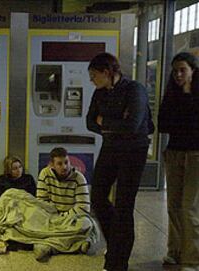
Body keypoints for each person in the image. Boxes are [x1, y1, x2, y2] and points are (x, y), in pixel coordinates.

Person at [86, 52, 154, 271]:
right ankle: (117, 241)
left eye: (94, 75)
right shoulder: (99, 94)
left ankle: (117, 262)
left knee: (124, 205)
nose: (91, 80)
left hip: (134, 151)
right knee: (97, 196)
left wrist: (104, 120)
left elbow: (133, 124)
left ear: (107, 72)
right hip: (111, 147)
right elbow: (89, 122)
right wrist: (116, 122)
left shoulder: (135, 90)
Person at [158, 52, 199, 271]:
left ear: (193, 71)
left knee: (188, 207)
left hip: (196, 155)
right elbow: (163, 123)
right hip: (174, 152)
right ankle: (174, 251)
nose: (178, 74)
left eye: (183, 69)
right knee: (173, 205)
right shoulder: (172, 94)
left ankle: (192, 258)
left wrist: (184, 108)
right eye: (175, 71)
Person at [34, 147, 94, 261]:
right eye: (60, 164)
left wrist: (63, 218)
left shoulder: (79, 178)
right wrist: (55, 217)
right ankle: (77, 244)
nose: (64, 167)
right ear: (52, 165)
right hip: (52, 217)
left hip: (72, 219)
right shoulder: (45, 174)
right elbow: (41, 203)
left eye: (66, 162)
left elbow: (83, 207)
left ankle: (49, 247)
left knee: (86, 224)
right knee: (34, 218)